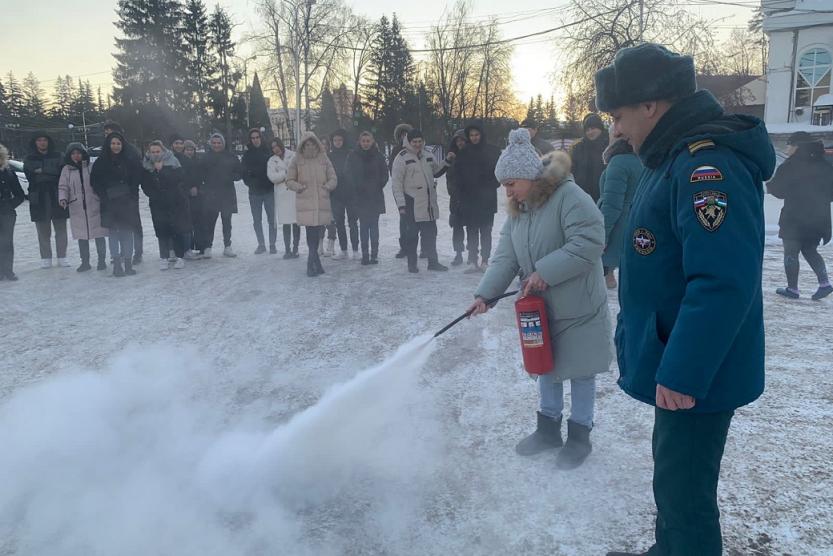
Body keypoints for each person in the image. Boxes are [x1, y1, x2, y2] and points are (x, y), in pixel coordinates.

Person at [594, 43, 776, 556]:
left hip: (697, 370)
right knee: (674, 483)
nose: (615, 128)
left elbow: (722, 282)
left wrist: (683, 371)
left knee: (687, 494)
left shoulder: (706, 166)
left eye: (619, 114)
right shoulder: (671, 155)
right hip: (679, 357)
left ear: (651, 104)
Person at [470, 130, 611, 470]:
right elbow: (505, 256)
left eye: (512, 183)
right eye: (504, 185)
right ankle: (548, 430)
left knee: (580, 370)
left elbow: (590, 241)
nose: (508, 191)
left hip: (579, 305)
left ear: (531, 176)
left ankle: (580, 435)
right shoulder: (519, 210)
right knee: (544, 364)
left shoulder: (570, 197)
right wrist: (485, 294)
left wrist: (545, 271)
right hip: (543, 308)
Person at [767, 131, 833, 301]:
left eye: (789, 145)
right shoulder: (825, 164)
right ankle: (824, 283)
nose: (787, 148)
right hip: (819, 218)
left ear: (796, 146)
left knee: (791, 251)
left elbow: (778, 190)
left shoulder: (791, 165)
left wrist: (769, 185)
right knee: (810, 250)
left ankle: (793, 289)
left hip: (794, 218)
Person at [391, 128, 453, 273]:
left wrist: (447, 161)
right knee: (412, 235)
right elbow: (396, 184)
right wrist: (401, 205)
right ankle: (412, 264)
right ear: (409, 141)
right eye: (414, 141)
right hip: (411, 202)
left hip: (429, 203)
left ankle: (433, 262)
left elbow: (436, 171)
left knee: (431, 234)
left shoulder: (427, 154)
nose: (417, 144)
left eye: (420, 141)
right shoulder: (402, 157)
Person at [91, 132, 143, 277]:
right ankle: (117, 266)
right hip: (109, 204)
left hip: (127, 203)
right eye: (113, 143)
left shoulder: (129, 160)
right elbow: (94, 182)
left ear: (122, 144)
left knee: (127, 233)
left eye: (118, 143)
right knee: (113, 234)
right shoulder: (100, 162)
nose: (116, 146)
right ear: (108, 144)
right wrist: (104, 195)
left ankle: (128, 264)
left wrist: (131, 194)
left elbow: (136, 179)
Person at [286, 132, 337, 277]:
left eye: (312, 143)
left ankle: (315, 263)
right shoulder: (297, 159)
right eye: (307, 144)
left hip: (321, 200)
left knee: (317, 231)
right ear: (303, 145)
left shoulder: (323, 158)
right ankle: (311, 263)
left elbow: (333, 177)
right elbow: (289, 180)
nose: (310, 146)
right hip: (306, 201)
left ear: (316, 144)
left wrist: (327, 186)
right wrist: (299, 187)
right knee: (311, 233)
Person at [453, 122, 501, 273]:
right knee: (472, 231)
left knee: (486, 231)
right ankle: (472, 260)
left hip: (487, 199)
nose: (474, 138)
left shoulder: (493, 151)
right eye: (471, 135)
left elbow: (499, 173)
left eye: (477, 135)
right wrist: (461, 194)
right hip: (469, 200)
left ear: (482, 135)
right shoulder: (463, 153)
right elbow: (457, 176)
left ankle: (485, 260)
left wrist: (490, 185)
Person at [597, 138, 642, 289]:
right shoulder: (644, 160)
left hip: (619, 225)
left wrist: (601, 235)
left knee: (610, 280)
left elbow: (612, 203)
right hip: (641, 221)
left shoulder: (618, 163)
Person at [58, 143, 108, 272]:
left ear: (83, 153)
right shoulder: (66, 170)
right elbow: (63, 187)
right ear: (70, 155)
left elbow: (99, 183)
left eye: (79, 153)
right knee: (82, 237)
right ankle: (85, 262)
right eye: (73, 153)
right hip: (77, 208)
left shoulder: (91, 167)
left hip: (94, 205)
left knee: (99, 234)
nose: (76, 155)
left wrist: (101, 197)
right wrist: (63, 198)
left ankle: (101, 261)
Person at [141, 140, 191, 270]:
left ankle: (180, 256)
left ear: (163, 151)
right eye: (153, 152)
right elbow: (145, 185)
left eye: (158, 151)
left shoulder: (173, 162)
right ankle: (164, 257)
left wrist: (161, 170)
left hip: (175, 202)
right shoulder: (146, 166)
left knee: (177, 229)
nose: (155, 154)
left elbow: (178, 179)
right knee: (161, 231)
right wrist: (154, 194)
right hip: (157, 203)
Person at [23, 133, 70, 268]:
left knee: (61, 229)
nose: (42, 143)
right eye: (39, 140)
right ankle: (46, 258)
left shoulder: (58, 156)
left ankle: (62, 257)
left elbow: (61, 174)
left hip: (56, 194)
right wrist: (50, 172)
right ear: (35, 142)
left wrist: (42, 171)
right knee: (43, 231)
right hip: (38, 196)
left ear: (48, 142)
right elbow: (30, 176)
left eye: (44, 140)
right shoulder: (29, 158)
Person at [345, 131, 388, 265]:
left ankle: (374, 255)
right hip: (360, 197)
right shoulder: (353, 156)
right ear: (359, 142)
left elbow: (385, 174)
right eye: (363, 141)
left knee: (374, 227)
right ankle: (365, 255)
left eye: (368, 141)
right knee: (363, 227)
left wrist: (378, 184)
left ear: (372, 141)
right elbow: (347, 173)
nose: (365, 143)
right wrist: (356, 186)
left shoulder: (379, 156)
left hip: (375, 196)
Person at [102, 121, 143, 264]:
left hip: (129, 195)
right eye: (106, 133)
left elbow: (137, 172)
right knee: (115, 225)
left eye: (110, 132)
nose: (107, 135)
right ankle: (119, 254)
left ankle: (137, 252)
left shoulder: (130, 150)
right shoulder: (105, 150)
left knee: (133, 223)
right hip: (111, 196)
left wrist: (131, 190)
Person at [200, 133, 242, 259]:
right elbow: (199, 174)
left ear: (223, 144)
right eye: (214, 143)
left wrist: (231, 177)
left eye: (219, 143)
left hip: (226, 193)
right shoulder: (205, 158)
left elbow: (239, 172)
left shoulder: (230, 156)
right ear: (211, 144)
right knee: (209, 222)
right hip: (211, 194)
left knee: (226, 221)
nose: (216, 145)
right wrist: (203, 186)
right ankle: (208, 247)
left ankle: (227, 246)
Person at [242, 128, 278, 255]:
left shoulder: (268, 152)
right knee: (257, 220)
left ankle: (272, 244)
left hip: (269, 191)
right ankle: (261, 244)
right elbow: (244, 173)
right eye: (253, 138)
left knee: (271, 219)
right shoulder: (247, 155)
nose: (255, 140)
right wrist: (251, 183)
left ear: (261, 138)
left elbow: (274, 169)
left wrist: (271, 182)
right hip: (254, 193)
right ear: (250, 140)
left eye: (257, 137)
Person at [435, 130, 468, 266]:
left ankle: (473, 255)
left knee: (472, 227)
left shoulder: (472, 156)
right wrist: (447, 159)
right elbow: (437, 173)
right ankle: (458, 254)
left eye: (462, 140)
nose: (460, 143)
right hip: (455, 198)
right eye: (457, 140)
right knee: (457, 227)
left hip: (470, 197)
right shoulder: (451, 156)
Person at [327, 129, 359, 260]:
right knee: (339, 223)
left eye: (339, 140)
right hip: (336, 194)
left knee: (353, 223)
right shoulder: (329, 156)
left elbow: (356, 172)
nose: (337, 142)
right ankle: (344, 250)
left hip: (350, 193)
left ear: (343, 140)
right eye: (335, 140)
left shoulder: (351, 154)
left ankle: (356, 250)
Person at [267, 138, 300, 259]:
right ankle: (287, 250)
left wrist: (283, 174)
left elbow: (298, 171)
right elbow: (272, 177)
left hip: (293, 192)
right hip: (282, 195)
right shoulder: (271, 161)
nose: (276, 149)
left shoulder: (293, 155)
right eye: (273, 147)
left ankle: (295, 249)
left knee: (296, 222)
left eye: (277, 146)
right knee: (286, 223)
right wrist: (285, 174)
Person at [0, 143, 26, 281]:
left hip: (7, 214)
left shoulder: (8, 173)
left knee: (7, 242)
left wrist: (9, 205)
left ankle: (8, 271)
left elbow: (20, 195)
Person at [570, 113, 609, 202]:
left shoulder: (609, 147)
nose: (590, 132)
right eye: (587, 130)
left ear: (600, 128)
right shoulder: (578, 148)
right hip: (581, 197)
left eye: (593, 128)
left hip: (603, 196)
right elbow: (572, 170)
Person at [174, 139, 203, 259]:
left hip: (195, 195)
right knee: (185, 223)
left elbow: (199, 176)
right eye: (187, 149)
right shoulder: (179, 161)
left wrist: (196, 186)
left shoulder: (197, 162)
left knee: (194, 222)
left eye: (192, 150)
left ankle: (193, 246)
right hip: (182, 194)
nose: (189, 152)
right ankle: (185, 248)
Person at [390, 123, 414, 259]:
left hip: (415, 189)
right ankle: (404, 247)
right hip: (401, 189)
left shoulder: (416, 149)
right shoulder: (396, 151)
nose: (404, 137)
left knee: (418, 218)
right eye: (402, 135)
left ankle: (420, 247)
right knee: (404, 219)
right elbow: (392, 171)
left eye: (406, 135)